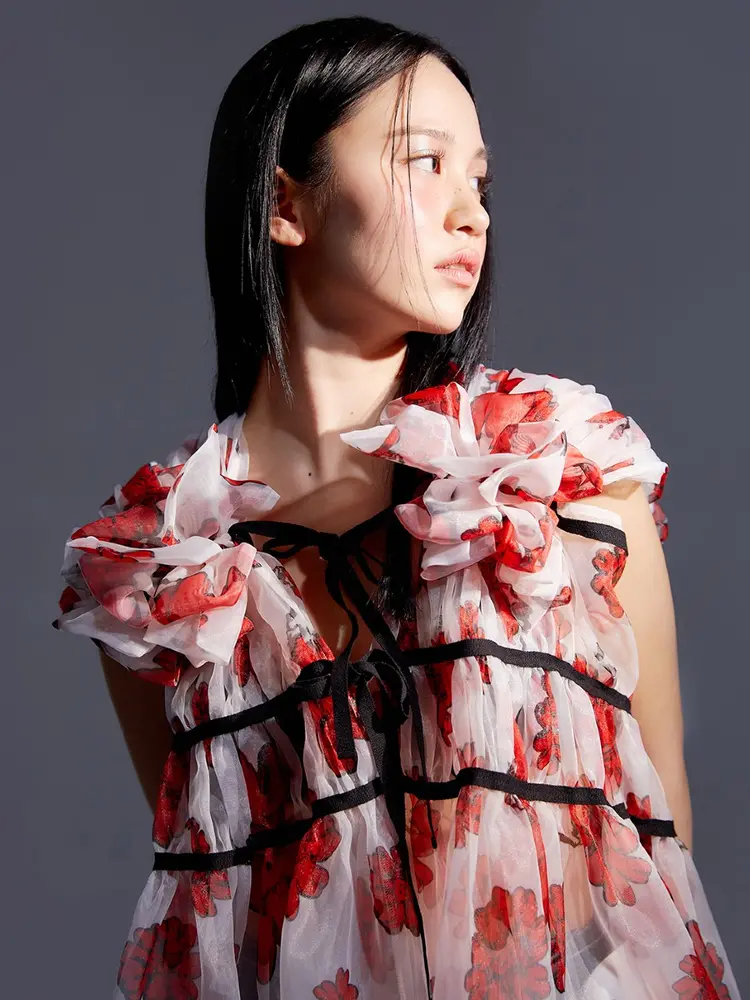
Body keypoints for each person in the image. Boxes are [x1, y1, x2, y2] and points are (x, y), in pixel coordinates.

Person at [52, 15, 741, 1000]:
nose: (472, 214)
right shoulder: (159, 580)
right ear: (284, 204)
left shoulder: (561, 475)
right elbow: (225, 921)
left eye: (481, 182)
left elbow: (661, 866)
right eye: (427, 162)